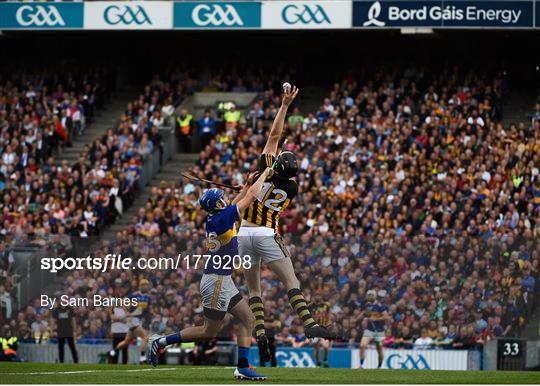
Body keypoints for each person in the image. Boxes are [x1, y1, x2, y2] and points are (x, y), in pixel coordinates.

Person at [238, 85, 336, 362]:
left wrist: (284, 105)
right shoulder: (291, 188)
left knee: (254, 290)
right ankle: (309, 324)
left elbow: (274, 134)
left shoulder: (265, 169)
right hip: (268, 234)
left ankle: (259, 334)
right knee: (291, 282)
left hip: (244, 234)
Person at [150, 167, 273, 381]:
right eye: (221, 199)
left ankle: (242, 367)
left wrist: (246, 184)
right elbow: (252, 196)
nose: (225, 200)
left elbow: (240, 199)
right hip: (215, 281)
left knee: (247, 319)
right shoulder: (223, 218)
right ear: (216, 205)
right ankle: (160, 342)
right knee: (209, 331)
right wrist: (265, 174)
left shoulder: (219, 217)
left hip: (222, 279)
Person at [109, 279, 151, 363]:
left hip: (137, 320)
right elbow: (122, 302)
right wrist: (126, 312)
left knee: (126, 341)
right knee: (145, 337)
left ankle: (113, 352)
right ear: (140, 286)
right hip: (132, 320)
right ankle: (142, 358)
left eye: (147, 285)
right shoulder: (133, 296)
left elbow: (145, 311)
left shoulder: (148, 298)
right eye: (144, 285)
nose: (146, 287)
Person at [359, 290, 390, 369]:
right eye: (368, 295)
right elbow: (366, 315)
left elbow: (386, 317)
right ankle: (361, 365)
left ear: (375, 296)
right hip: (369, 330)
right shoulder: (366, 305)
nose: (370, 297)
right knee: (362, 345)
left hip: (379, 330)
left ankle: (379, 366)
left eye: (371, 295)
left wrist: (376, 319)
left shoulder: (380, 306)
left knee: (379, 349)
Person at [310, 293, 331, 367]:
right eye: (316, 295)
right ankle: (318, 362)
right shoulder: (310, 306)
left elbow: (329, 315)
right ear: (314, 296)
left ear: (321, 296)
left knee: (325, 346)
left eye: (319, 295)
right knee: (317, 349)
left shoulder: (326, 305)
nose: (317, 297)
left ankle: (325, 359)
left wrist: (329, 323)